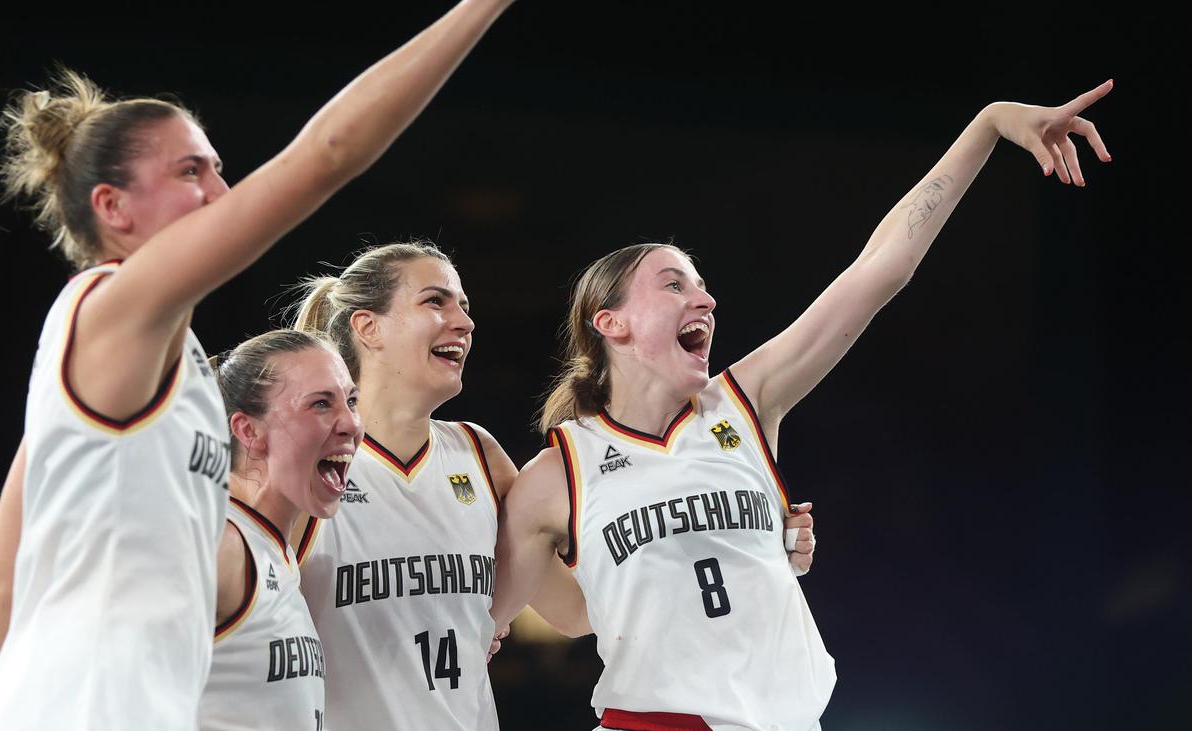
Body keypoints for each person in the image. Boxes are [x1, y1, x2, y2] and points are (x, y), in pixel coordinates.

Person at [490, 82, 1115, 731]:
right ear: (610, 323)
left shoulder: (743, 401)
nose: (704, 300)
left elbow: (880, 269)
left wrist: (987, 125)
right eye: (674, 284)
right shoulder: (558, 473)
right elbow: (556, 616)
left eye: (702, 287)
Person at [0, 3, 515, 727]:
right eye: (189, 171)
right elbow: (328, 153)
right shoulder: (107, 310)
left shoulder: (161, 369)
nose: (220, 193)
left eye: (219, 169)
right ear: (113, 207)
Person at [290, 241, 514, 730]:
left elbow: (573, 611)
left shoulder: (480, 455)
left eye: (464, 306)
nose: (465, 322)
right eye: (436, 301)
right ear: (368, 327)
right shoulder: (304, 465)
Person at [198, 330, 361, 730]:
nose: (351, 423)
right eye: (321, 403)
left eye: (351, 401)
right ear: (249, 431)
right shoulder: (221, 544)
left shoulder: (274, 551)